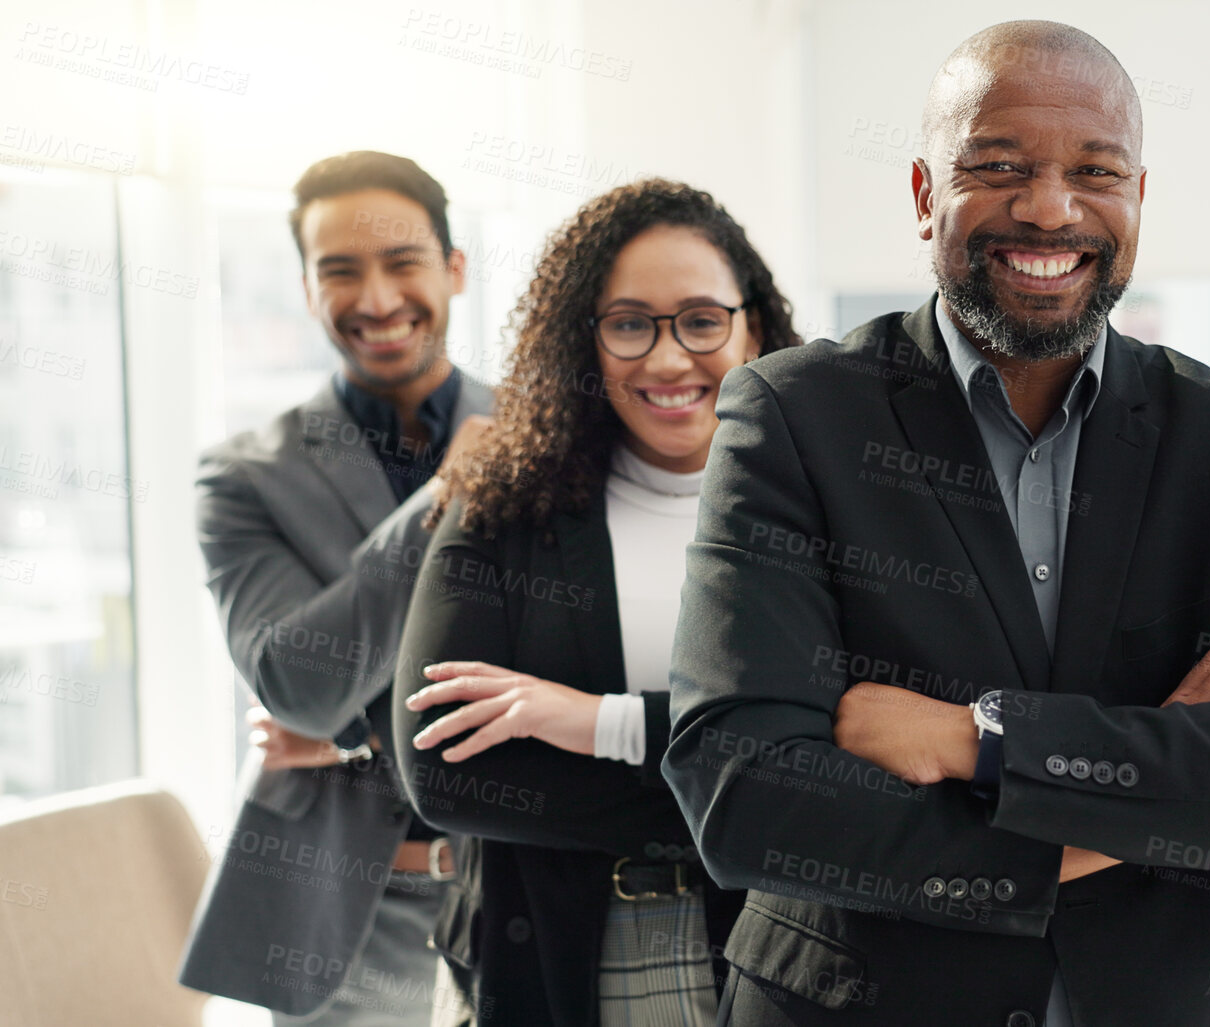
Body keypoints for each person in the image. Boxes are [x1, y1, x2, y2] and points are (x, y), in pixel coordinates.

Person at [662, 21, 1210, 1027]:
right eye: (999, 165)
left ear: (1138, 198)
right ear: (926, 196)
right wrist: (1151, 778)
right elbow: (746, 787)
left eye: (1095, 170)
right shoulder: (793, 415)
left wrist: (988, 744)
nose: (1050, 207)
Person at [389, 178, 803, 1026]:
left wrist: (590, 722)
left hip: (774, 947)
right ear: (586, 342)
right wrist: (732, 791)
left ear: (752, 323)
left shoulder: (818, 507)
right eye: (627, 324)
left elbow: (844, 752)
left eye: (700, 318)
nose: (665, 357)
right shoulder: (503, 502)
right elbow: (442, 772)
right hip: (552, 950)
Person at [180, 150, 492, 1026]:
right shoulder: (242, 476)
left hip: (530, 884)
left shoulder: (546, 435)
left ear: (453, 269)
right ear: (309, 288)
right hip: (343, 920)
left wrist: (364, 739)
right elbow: (302, 690)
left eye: (402, 263)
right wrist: (444, 497)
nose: (378, 298)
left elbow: (584, 672)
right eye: (341, 270)